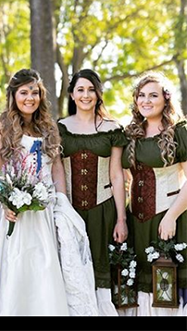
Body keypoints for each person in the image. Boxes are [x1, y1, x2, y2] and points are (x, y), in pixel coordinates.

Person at [0, 68, 98, 316]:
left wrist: (61, 200)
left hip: (45, 204)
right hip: (15, 207)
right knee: (19, 265)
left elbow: (57, 166)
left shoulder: (49, 126)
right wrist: (6, 201)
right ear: (13, 95)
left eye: (35, 92)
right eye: (24, 92)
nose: (30, 97)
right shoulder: (1, 126)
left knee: (47, 264)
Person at [58, 69, 128, 315]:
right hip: (69, 211)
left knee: (101, 269)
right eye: (80, 89)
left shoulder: (112, 128)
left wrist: (121, 219)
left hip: (103, 209)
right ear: (72, 94)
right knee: (71, 268)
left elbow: (117, 175)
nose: (86, 95)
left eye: (91, 89)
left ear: (98, 94)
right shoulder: (59, 128)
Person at [122, 71, 187, 316]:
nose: (146, 101)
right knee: (141, 282)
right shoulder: (130, 134)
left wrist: (171, 216)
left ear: (166, 99)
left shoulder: (179, 132)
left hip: (169, 220)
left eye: (153, 95)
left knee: (166, 281)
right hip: (136, 222)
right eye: (141, 95)